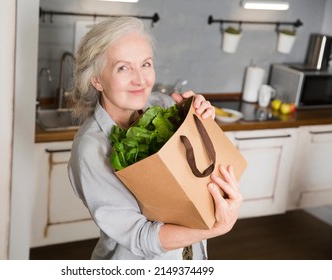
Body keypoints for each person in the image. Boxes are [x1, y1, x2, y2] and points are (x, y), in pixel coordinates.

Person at [67, 16, 242, 260]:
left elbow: (197, 180)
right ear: (96, 80)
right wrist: (217, 228)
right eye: (123, 67)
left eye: (146, 64)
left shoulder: (165, 105)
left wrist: (201, 122)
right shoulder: (91, 148)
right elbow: (139, 236)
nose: (140, 79)